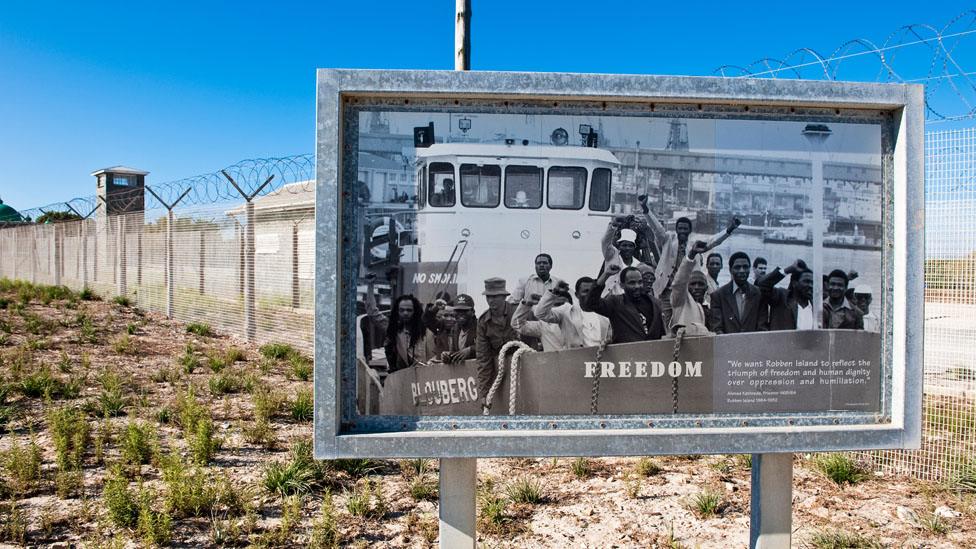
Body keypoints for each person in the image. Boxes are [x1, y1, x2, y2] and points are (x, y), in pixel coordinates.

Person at [641, 195, 741, 326]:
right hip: (666, 290)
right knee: (666, 322)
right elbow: (656, 227)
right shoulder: (668, 240)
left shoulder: (695, 245)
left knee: (684, 321)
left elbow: (713, 241)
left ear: (689, 230)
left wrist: (729, 229)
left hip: (687, 291)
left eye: (685, 229)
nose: (682, 231)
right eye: (680, 228)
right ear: (676, 230)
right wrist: (645, 208)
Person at [583, 264, 665, 344]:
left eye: (640, 282)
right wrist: (606, 275)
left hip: (654, 353)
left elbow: (662, 333)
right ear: (622, 285)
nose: (637, 286)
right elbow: (591, 303)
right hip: (626, 354)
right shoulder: (615, 303)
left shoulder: (655, 303)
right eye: (632, 283)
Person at [475, 278, 519, 407]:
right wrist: (484, 394)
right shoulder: (483, 322)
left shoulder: (518, 312)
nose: (491, 300)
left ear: (504, 297)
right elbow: (483, 358)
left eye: (495, 296)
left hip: (525, 366)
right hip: (502, 371)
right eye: (488, 296)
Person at [534, 277, 612, 348]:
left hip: (600, 359)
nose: (589, 294)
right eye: (585, 291)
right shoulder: (566, 311)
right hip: (575, 359)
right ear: (576, 295)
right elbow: (540, 313)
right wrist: (554, 292)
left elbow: (610, 338)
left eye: (592, 291)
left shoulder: (605, 312)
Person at [708, 251, 767, 334]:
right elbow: (717, 327)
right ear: (730, 270)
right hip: (727, 344)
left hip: (753, 344)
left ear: (749, 269)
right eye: (737, 267)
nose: (742, 270)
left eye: (745, 267)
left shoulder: (759, 294)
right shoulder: (718, 295)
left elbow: (762, 327)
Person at [755, 259, 816, 331]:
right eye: (806, 281)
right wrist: (788, 269)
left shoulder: (816, 307)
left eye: (812, 283)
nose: (810, 285)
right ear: (794, 283)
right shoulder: (781, 297)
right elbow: (762, 284)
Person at [669, 241, 712, 336]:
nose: (696, 287)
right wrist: (691, 255)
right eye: (693, 284)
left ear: (706, 288)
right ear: (687, 286)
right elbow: (679, 283)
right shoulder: (680, 302)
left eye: (700, 284)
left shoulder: (710, 306)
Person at [599, 223, 648, 297]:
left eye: (630, 245)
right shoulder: (612, 257)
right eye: (624, 245)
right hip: (612, 300)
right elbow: (605, 242)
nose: (627, 248)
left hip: (630, 302)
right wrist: (613, 227)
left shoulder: (638, 264)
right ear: (619, 246)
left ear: (634, 248)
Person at [383, 294, 426, 373]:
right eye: (402, 310)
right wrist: (370, 286)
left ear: (415, 311)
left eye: (409, 310)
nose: (405, 313)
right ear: (397, 311)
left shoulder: (424, 332)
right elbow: (373, 314)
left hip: (423, 376)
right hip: (401, 376)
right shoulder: (394, 331)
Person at [447, 294, 478, 362]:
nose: (461, 313)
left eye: (465, 310)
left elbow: (488, 346)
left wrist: (470, 350)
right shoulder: (454, 329)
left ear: (473, 312)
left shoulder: (481, 327)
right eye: (457, 311)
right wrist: (448, 356)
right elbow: (456, 353)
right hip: (461, 371)